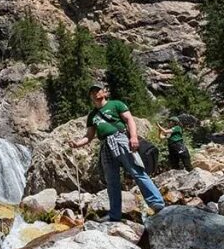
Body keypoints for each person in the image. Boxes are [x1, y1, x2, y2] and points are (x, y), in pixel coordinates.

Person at [69, 83, 165, 222]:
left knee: (136, 171)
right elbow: (89, 136)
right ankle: (115, 215)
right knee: (111, 181)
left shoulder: (116, 104)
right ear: (90, 96)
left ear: (104, 92)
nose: (96, 93)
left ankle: (157, 203)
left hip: (120, 139)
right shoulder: (92, 116)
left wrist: (133, 137)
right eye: (92, 92)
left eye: (98, 90)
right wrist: (77, 144)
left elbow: (129, 119)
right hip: (104, 145)